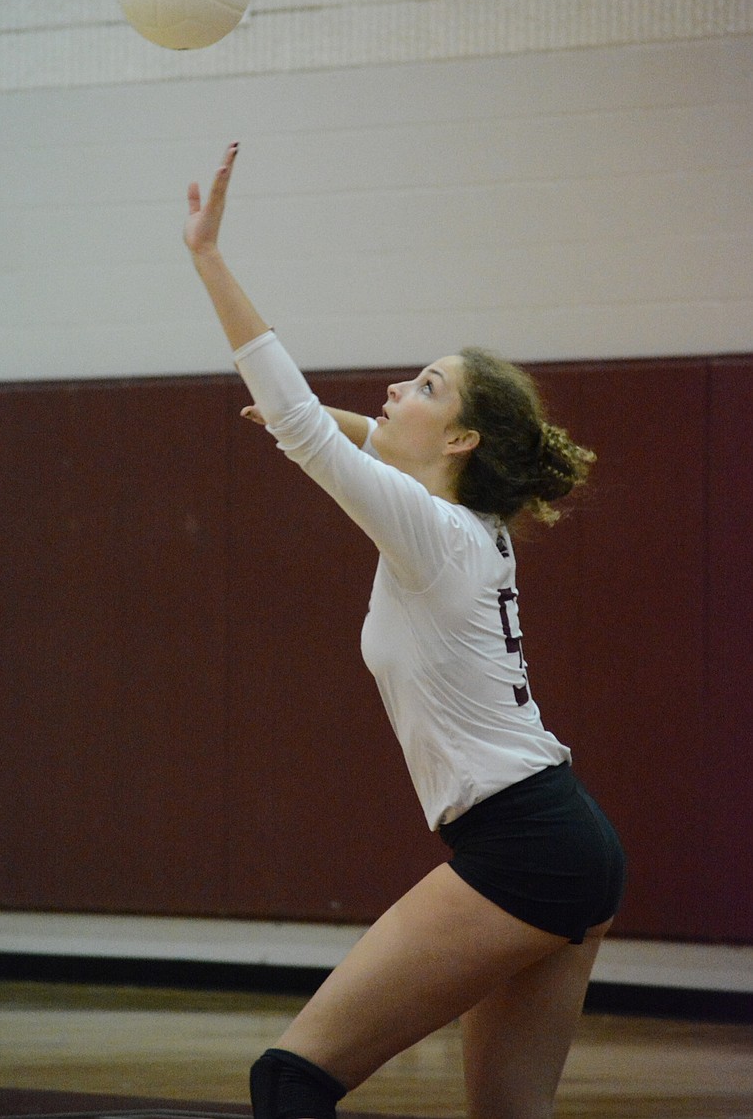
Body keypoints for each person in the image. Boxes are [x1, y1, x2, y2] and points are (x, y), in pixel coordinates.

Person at [183, 144, 626, 1119]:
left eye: (424, 387)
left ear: (462, 439)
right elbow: (360, 445)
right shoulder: (475, 525)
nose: (395, 389)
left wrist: (209, 258)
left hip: (523, 844)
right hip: (564, 836)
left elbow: (311, 430)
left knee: (289, 1079)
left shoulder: (435, 532)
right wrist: (346, 424)